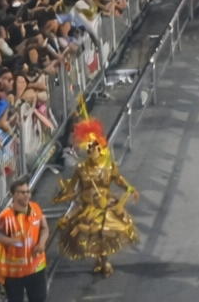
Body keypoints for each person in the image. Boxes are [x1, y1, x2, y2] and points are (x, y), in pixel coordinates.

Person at [52, 118, 139, 277]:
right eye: (89, 149)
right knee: (93, 235)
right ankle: (100, 260)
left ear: (101, 148)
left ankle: (104, 261)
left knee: (104, 232)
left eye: (95, 148)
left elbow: (118, 179)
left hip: (105, 206)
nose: (92, 151)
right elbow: (72, 188)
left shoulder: (109, 166)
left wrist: (129, 188)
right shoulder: (80, 168)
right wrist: (61, 195)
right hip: (87, 208)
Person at [0, 178, 49, 302]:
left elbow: (44, 229)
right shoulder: (5, 216)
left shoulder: (36, 208)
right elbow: (1, 237)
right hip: (14, 272)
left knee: (39, 298)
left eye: (28, 191)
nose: (26, 195)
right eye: (22, 192)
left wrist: (41, 244)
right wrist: (18, 243)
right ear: (13, 195)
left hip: (36, 267)